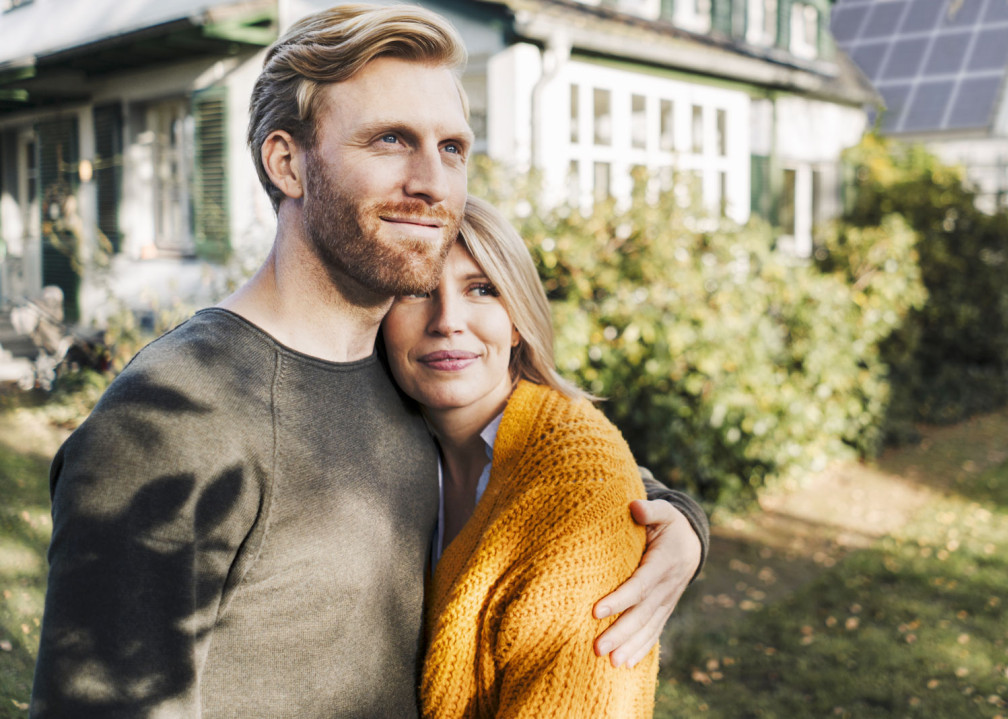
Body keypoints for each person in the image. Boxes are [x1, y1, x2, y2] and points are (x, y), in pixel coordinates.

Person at [30, 5, 706, 717]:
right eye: (390, 140)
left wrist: (679, 521)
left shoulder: (401, 368)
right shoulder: (173, 422)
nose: (433, 182)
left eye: (451, 148)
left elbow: (545, 471)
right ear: (286, 162)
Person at [383, 197, 658, 718]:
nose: (447, 321)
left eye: (481, 289)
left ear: (516, 321)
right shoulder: (387, 442)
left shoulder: (578, 478)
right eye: (414, 292)